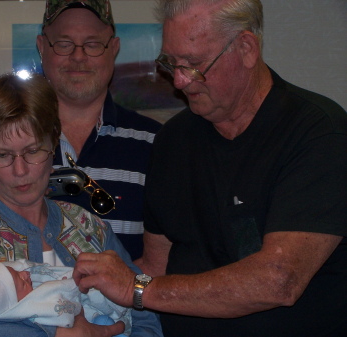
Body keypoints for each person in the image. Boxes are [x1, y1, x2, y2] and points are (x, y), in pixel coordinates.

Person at [72, 0, 347, 336]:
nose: (180, 81)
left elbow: (279, 280)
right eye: (171, 63)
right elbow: (155, 266)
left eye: (195, 64)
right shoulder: (173, 141)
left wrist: (137, 290)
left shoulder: (317, 132)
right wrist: (74, 293)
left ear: (246, 48)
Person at [0, 73, 163, 337]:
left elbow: (145, 319)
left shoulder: (92, 230)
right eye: (2, 155)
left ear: (54, 144)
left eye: (33, 151)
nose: (20, 170)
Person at [0, 0, 161, 260]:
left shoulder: (157, 144)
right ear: (41, 47)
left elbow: (165, 259)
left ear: (113, 49)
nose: (78, 56)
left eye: (93, 44)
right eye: (64, 43)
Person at [0, 260, 129, 336]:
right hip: (91, 322)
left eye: (17, 272)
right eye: (21, 282)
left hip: (91, 317)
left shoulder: (23, 282)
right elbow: (64, 312)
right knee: (110, 326)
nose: (26, 275)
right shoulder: (30, 308)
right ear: (14, 304)